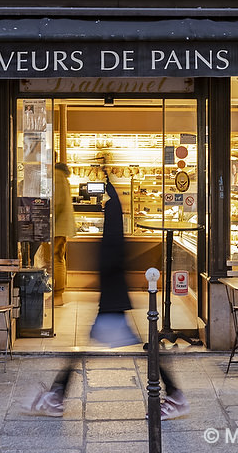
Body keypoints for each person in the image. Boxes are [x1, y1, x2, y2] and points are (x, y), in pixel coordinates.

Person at [26, 169, 190, 420]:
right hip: (112, 300)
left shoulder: (112, 223)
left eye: (104, 199)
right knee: (102, 349)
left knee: (88, 350)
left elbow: (111, 257)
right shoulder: (113, 220)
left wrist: (101, 280)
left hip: (112, 301)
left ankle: (56, 396)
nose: (101, 203)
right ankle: (56, 395)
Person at [51, 162, 76, 306]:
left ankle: (57, 295)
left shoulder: (57, 175)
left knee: (56, 259)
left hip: (57, 226)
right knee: (57, 258)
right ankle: (56, 293)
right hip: (58, 225)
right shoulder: (59, 174)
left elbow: (56, 203)